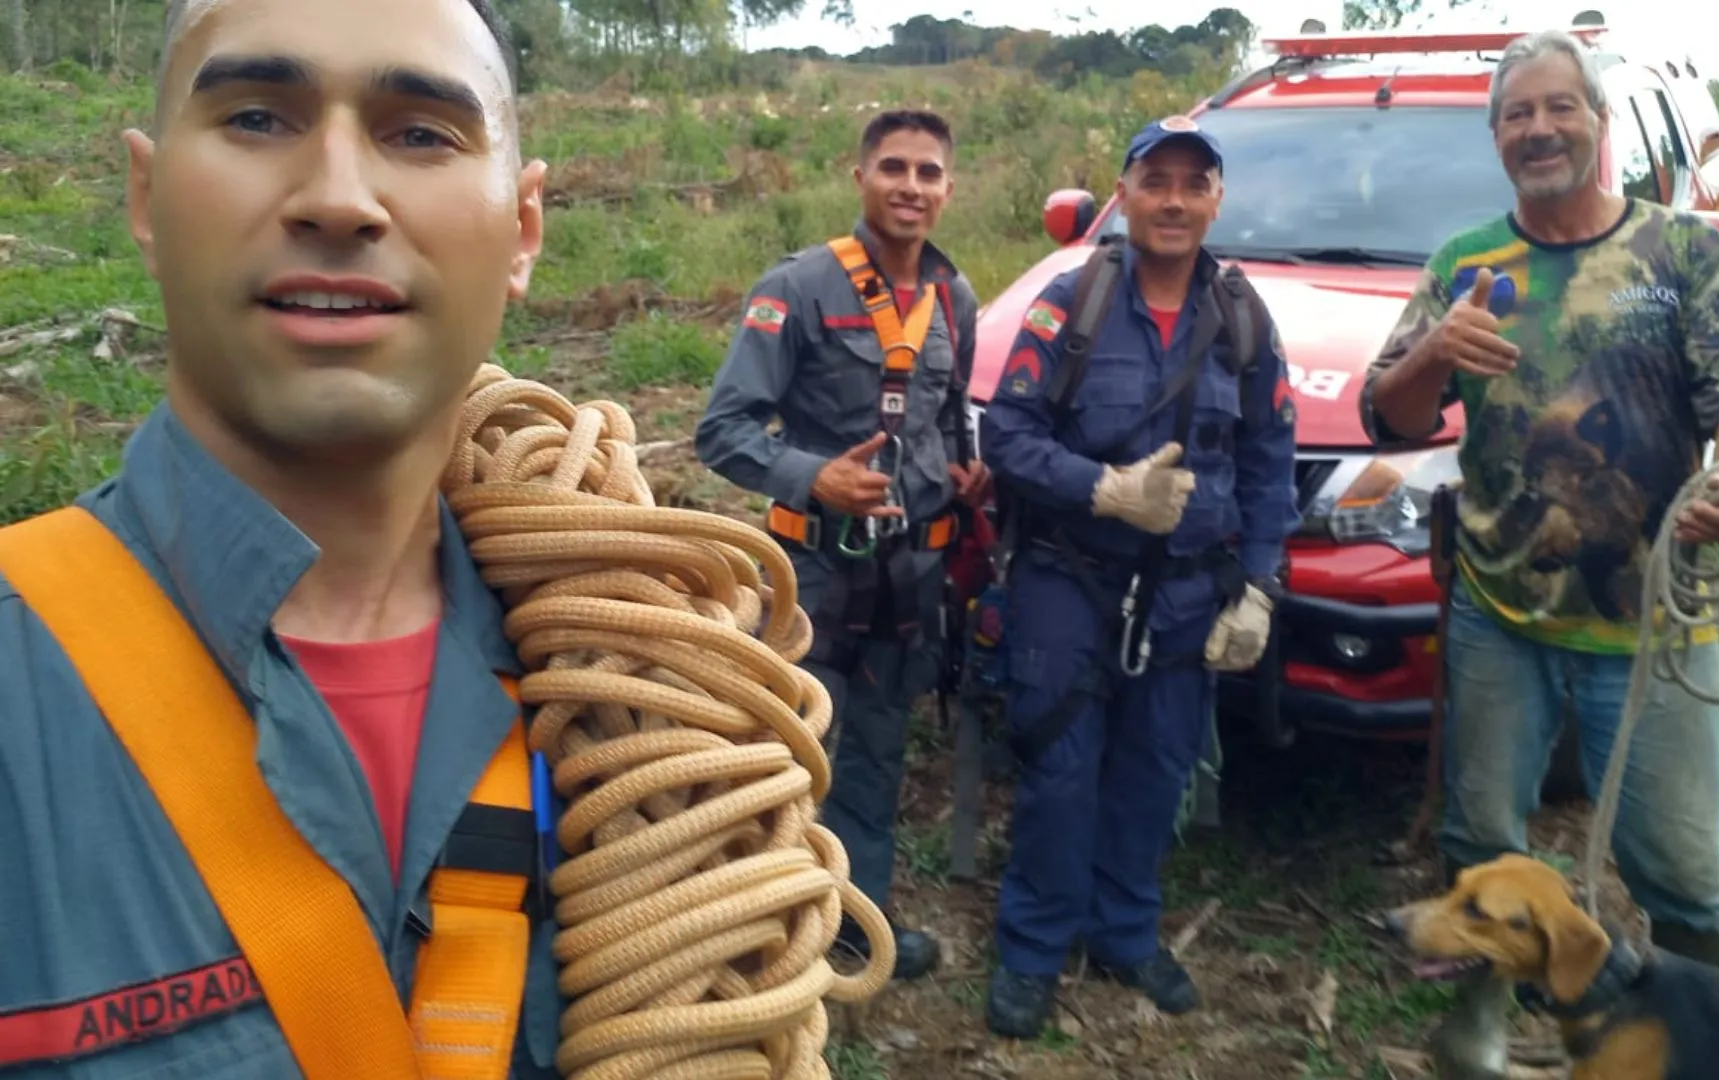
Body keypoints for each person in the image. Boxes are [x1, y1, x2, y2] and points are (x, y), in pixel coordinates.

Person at [0, 0, 564, 1077]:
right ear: (146, 198)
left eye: (421, 133)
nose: (339, 200)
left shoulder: (639, 687)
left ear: (523, 230)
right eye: (257, 118)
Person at [1360, 29, 1719, 1080]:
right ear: (1497, 137)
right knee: (1480, 835)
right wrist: (1433, 351)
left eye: (1562, 107)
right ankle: (1476, 1023)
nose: (1541, 128)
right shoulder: (1465, 265)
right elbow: (1389, 416)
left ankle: (1696, 1042)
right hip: (1500, 612)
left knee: (1682, 873)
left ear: (1599, 122)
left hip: (1655, 619)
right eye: (1519, 113)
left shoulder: (1680, 252)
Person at [976, 115, 1299, 1039]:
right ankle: (1034, 949)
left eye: (1195, 184)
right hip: (1069, 580)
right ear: (1122, 195)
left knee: (1157, 771)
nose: (1174, 201)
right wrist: (1104, 489)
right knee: (1060, 768)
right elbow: (1006, 435)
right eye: (1156, 181)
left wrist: (1260, 586)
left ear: (1217, 201)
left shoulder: (1243, 316)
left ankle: (1123, 933)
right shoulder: (1070, 302)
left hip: (1190, 593)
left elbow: (1270, 461)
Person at [694, 108, 988, 983]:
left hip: (912, 575)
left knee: (879, 750)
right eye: (894, 167)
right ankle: (768, 932)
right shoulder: (800, 288)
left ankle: (856, 922)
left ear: (949, 188)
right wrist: (813, 476)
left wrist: (964, 469)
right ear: (860, 177)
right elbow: (722, 431)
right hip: (816, 574)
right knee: (795, 753)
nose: (911, 186)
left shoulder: (954, 298)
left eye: (928, 172)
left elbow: (947, 413)